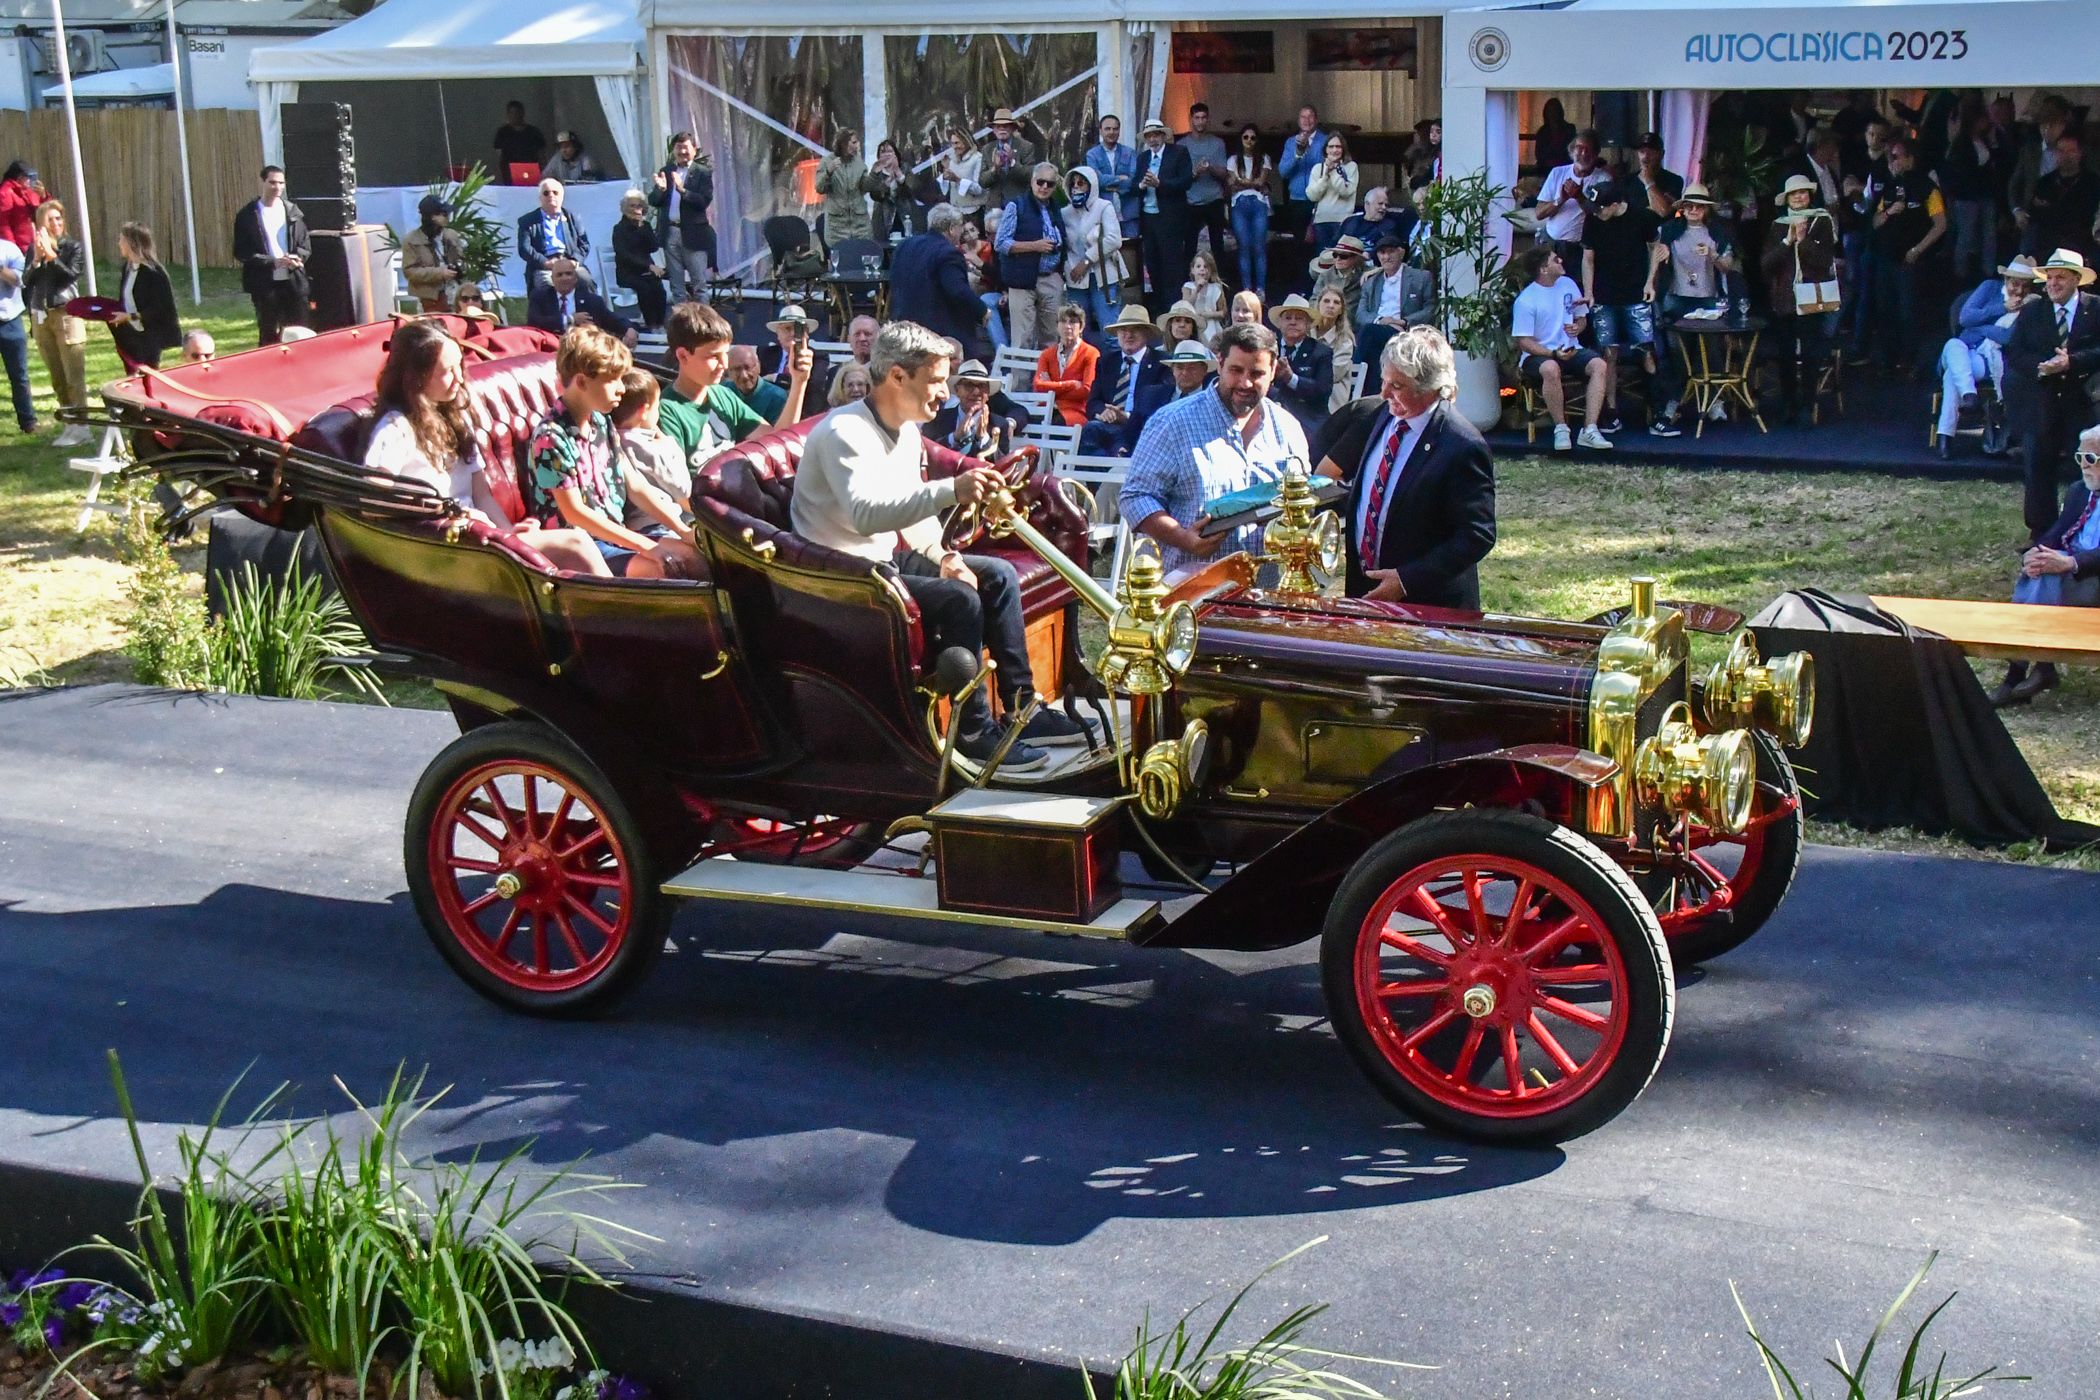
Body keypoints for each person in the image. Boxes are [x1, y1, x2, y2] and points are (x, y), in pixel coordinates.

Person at [792, 319, 1087, 768]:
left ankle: (1024, 707)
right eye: (934, 381)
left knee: (998, 575)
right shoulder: (843, 433)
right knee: (960, 600)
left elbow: (914, 515)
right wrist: (953, 490)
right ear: (896, 376)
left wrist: (944, 555)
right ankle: (971, 732)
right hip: (840, 576)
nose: (945, 394)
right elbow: (866, 513)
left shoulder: (906, 429)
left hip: (879, 559)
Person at [364, 320, 608, 577]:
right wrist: (436, 511)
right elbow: (372, 501)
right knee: (576, 544)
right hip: (442, 544)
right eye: (447, 371)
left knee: (576, 540)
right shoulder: (396, 428)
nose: (459, 378)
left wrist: (508, 533)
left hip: (481, 537)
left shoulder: (456, 419)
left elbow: (482, 496)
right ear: (416, 378)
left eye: (460, 366)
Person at [1312, 326, 1494, 609]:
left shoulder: (1462, 444)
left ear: (1431, 388)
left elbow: (1477, 534)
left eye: (1397, 386)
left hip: (1427, 605)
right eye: (1384, 380)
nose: (1384, 393)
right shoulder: (1379, 415)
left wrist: (1406, 580)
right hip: (1364, 592)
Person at [1120, 321, 1308, 576]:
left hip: (1269, 592)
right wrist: (1183, 537)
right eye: (1236, 370)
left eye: (1256, 374)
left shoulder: (1288, 429)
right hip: (1192, 593)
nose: (1245, 383)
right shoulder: (1172, 423)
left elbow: (1303, 502)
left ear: (1273, 370)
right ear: (1219, 364)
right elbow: (1135, 497)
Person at [527, 326, 699, 579]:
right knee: (666, 568)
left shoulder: (601, 422)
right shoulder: (551, 438)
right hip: (583, 548)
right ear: (582, 381)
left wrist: (683, 530)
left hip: (615, 534)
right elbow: (575, 513)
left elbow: (635, 486)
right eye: (613, 380)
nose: (622, 389)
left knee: (697, 559)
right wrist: (646, 546)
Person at [1993, 425, 2100, 707]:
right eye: (2080, 459)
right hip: (2069, 567)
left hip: (2094, 575)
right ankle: (2038, 667)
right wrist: (2036, 554)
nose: (2083, 467)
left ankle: (2020, 673)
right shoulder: (2080, 491)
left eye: (2090, 460)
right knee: (2040, 573)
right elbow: (2058, 531)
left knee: (2046, 579)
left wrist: (2069, 562)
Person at [2006, 248, 2100, 537]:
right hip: (2040, 403)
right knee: (2037, 472)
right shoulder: (2034, 311)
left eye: (2060, 277)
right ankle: (2041, 537)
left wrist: (2072, 361)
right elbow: (2014, 352)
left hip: (2081, 404)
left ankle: (2086, 533)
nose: (2053, 283)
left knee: (2085, 471)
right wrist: (2042, 366)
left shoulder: (2095, 309)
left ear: (2076, 280)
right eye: (2049, 277)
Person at [659, 301, 811, 473]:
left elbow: (777, 440)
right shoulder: (666, 410)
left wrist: (799, 382)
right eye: (714, 356)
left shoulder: (724, 395)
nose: (724, 364)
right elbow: (675, 486)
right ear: (683, 356)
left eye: (725, 353)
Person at [1582, 175, 1665, 435]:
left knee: (1646, 351)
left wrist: (1650, 282)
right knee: (1608, 354)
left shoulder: (1643, 217)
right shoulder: (1593, 221)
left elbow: (1656, 249)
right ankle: (1611, 411)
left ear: (1616, 204)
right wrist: (1589, 292)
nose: (1597, 214)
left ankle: (1657, 413)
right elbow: (1588, 258)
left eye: (1602, 208)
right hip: (1605, 295)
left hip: (1636, 293)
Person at [1647, 184, 1735, 429]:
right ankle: (1675, 401)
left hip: (1708, 296)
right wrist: (1653, 277)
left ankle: (1714, 402)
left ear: (1706, 210)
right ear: (1683, 209)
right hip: (1677, 296)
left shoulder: (1717, 232)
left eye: (1699, 206)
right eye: (1689, 206)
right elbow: (1654, 255)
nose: (1693, 210)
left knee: (1711, 349)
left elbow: (1729, 266)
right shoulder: (1669, 230)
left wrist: (1713, 255)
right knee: (1677, 352)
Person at [1857, 139, 1947, 373]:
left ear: (1910, 159)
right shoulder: (1889, 186)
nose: (1892, 162)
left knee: (1908, 312)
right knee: (1885, 310)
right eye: (1890, 157)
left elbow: (1940, 224)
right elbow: (1874, 223)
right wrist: (1888, 211)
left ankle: (1909, 360)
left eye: (1896, 156)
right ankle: (1888, 358)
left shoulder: (1928, 187)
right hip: (1885, 257)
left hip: (1910, 260)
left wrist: (1918, 249)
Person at [1935, 255, 2039, 454]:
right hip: (1965, 351)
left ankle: (1945, 435)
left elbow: (2007, 337)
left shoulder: (2031, 305)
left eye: (2025, 286)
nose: (2019, 291)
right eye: (2015, 284)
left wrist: (1978, 328)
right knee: (1953, 345)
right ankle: (1968, 396)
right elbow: (1965, 317)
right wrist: (2001, 308)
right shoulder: (1989, 288)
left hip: (1991, 362)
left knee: (1952, 375)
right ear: (2006, 280)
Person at [1762, 173, 1842, 427]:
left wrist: (1804, 240)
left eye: (1803, 192)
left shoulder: (1822, 220)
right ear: (1787, 198)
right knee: (1785, 355)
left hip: (1811, 297)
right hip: (1785, 300)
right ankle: (1789, 404)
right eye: (1794, 193)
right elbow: (1766, 264)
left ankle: (1809, 404)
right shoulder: (1777, 225)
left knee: (1810, 355)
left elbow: (1823, 259)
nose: (1799, 197)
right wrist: (1788, 241)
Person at [1512, 243, 1609, 452]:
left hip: (1570, 348)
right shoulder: (1526, 300)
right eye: (1555, 259)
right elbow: (1523, 342)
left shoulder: (1567, 284)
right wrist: (1552, 353)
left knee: (1599, 365)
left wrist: (1578, 327)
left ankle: (1590, 429)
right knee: (1550, 369)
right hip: (1539, 353)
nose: (1561, 261)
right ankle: (1561, 428)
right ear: (1543, 269)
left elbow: (1581, 317)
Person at [24, 199, 87, 445]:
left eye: (59, 218)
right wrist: (38, 259)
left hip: (66, 315)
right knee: (57, 376)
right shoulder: (34, 249)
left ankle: (83, 426)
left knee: (73, 375)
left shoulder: (72, 247)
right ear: (41, 224)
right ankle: (69, 422)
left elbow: (70, 275)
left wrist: (51, 256)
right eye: (50, 219)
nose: (56, 223)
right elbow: (27, 281)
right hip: (41, 316)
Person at [889, 203, 990, 355]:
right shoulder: (948, 252)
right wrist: (982, 310)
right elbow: (957, 290)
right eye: (959, 226)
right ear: (951, 228)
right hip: (938, 333)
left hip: (903, 327)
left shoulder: (904, 246)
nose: (961, 232)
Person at [231, 166, 309, 345]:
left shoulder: (293, 213)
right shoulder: (248, 216)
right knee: (269, 332)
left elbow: (305, 245)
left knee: (298, 331)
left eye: (281, 183)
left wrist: (297, 258)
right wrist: (273, 262)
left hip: (293, 280)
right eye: (272, 182)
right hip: (264, 283)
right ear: (262, 182)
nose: (277, 187)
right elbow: (241, 252)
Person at [1080, 304, 1170, 455]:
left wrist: (1127, 417)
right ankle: (1095, 478)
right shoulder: (1106, 361)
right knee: (1091, 431)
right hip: (1106, 427)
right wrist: (1103, 412)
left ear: (1147, 333)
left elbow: (1160, 406)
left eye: (1135, 329)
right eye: (1123, 330)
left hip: (1141, 429)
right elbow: (1093, 402)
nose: (1128, 335)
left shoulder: (1161, 363)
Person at [994, 161, 1066, 351]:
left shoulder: (1055, 207)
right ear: (1032, 181)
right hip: (1022, 279)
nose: (1044, 187)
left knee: (1052, 339)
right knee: (1022, 340)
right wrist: (1035, 246)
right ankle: (1019, 382)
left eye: (1050, 184)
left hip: (1051, 277)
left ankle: (1047, 381)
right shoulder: (1016, 205)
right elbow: (1000, 243)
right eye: (1040, 182)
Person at [1941, 107, 2011, 284]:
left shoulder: (1984, 140)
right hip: (1967, 196)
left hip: (1985, 193)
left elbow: (1996, 161)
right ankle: (1960, 272)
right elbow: (1960, 170)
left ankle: (1989, 270)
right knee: (1966, 234)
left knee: (1989, 233)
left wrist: (1994, 144)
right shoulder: (1961, 144)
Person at [610, 369, 690, 518]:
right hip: (659, 522)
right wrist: (670, 445)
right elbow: (683, 490)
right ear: (644, 411)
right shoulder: (653, 449)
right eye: (656, 406)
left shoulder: (611, 440)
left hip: (631, 521)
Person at [649, 132, 715, 304]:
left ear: (694, 150)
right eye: (678, 148)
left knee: (699, 284)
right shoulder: (666, 171)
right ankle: (681, 323)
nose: (682, 152)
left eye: (685, 147)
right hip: (670, 231)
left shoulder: (702, 172)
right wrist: (661, 190)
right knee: (676, 285)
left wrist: (683, 191)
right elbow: (653, 201)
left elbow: (703, 201)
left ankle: (704, 325)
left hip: (694, 234)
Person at [1136, 119, 1193, 316]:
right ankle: (1159, 309)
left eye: (1155, 135)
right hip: (1148, 217)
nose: (1152, 139)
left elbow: (1185, 182)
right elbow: (1136, 184)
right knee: (1152, 263)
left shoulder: (1179, 153)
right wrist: (1141, 186)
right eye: (1149, 136)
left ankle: (1173, 309)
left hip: (1170, 218)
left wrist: (1161, 183)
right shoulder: (1142, 158)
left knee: (1172, 264)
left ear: (1163, 135)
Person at [1534, 128, 1609, 274]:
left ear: (1596, 154)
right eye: (1579, 148)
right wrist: (1560, 199)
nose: (1583, 154)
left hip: (1579, 251)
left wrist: (1580, 197)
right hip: (1550, 244)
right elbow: (1539, 213)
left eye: (1588, 150)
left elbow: (1602, 216)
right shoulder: (1558, 173)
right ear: (1571, 150)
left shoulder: (1603, 179)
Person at [2019, 131, 2100, 266]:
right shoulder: (2044, 182)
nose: (2066, 155)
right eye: (2061, 151)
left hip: (2082, 246)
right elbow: (2033, 218)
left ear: (2080, 153)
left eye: (2071, 151)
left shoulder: (2093, 183)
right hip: (2045, 247)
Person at [1354, 235, 1433, 371]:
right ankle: (1369, 387)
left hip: (1404, 331)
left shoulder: (1421, 277)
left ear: (1401, 252)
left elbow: (1430, 308)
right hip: (1377, 328)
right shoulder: (1371, 282)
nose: (1386, 257)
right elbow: (1360, 314)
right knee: (1370, 335)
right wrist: (1381, 320)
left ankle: (1353, 375)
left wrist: (1404, 322)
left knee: (1368, 333)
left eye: (1391, 251)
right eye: (1382, 253)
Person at [1061, 165, 1122, 335]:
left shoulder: (1104, 206)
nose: (1076, 188)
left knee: (1110, 329)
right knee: (1076, 331)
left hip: (1103, 275)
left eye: (1081, 183)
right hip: (1076, 278)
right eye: (1072, 184)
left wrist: (1087, 260)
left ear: (1091, 185)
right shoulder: (1065, 213)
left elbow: (1113, 239)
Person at [110, 223, 180, 370]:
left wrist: (130, 316)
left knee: (151, 375)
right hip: (133, 334)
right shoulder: (127, 268)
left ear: (132, 243)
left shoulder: (154, 273)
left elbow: (161, 309)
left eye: (121, 240)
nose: (119, 244)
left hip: (154, 335)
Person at [1265, 293, 1333, 436]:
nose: (1293, 322)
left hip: (1308, 419)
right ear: (1280, 322)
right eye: (1288, 318)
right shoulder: (1267, 349)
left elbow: (1323, 391)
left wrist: (1291, 378)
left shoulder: (1322, 352)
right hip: (1270, 415)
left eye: (1299, 318)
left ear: (1308, 324)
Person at [526, 258, 635, 345]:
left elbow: (611, 319)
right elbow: (534, 322)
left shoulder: (592, 300)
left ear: (575, 278)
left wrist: (628, 328)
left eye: (568, 274)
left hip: (581, 349)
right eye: (559, 275)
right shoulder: (540, 297)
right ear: (552, 279)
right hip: (549, 348)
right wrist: (570, 319)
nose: (565, 278)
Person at [1277, 106, 1331, 281]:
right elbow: (1283, 172)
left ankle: (1320, 288)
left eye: (1310, 117)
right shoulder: (1290, 142)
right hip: (1298, 201)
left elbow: (1327, 168)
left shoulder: (1325, 141)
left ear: (1316, 120)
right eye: (1303, 117)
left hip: (1320, 201)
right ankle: (1303, 290)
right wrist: (1298, 154)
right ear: (1298, 120)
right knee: (1300, 248)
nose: (1307, 120)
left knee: (1320, 247)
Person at [928, 358, 1018, 456]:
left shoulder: (999, 424)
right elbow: (927, 453)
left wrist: (984, 439)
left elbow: (1003, 465)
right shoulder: (938, 419)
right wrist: (953, 438)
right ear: (957, 390)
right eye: (969, 385)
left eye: (982, 386)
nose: (976, 392)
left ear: (988, 393)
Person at [1179, 102, 1230, 273]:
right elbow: (1179, 177)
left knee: (1218, 246)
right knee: (1189, 246)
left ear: (1208, 120)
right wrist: (1195, 172)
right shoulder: (1182, 145)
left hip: (1214, 199)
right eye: (1197, 118)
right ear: (1191, 119)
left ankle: (1220, 284)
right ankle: (1189, 284)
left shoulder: (1218, 143)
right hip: (1191, 201)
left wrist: (1209, 168)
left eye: (1203, 118)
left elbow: (1224, 173)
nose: (1200, 122)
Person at [1225, 123, 1274, 297]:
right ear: (1241, 139)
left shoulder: (1264, 158)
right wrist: (1251, 183)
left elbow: (1261, 181)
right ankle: (1246, 288)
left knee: (1259, 247)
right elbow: (1231, 184)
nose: (1249, 140)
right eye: (1246, 137)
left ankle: (1260, 288)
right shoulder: (1232, 159)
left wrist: (1242, 182)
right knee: (1244, 247)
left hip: (1259, 203)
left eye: (1253, 137)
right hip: (1239, 204)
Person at [516, 179, 592, 290]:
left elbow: (584, 245)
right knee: (547, 288)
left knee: (586, 282)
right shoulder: (527, 221)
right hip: (544, 267)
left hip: (569, 261)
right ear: (540, 198)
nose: (551, 195)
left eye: (555, 192)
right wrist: (545, 262)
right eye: (546, 193)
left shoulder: (573, 218)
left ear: (562, 196)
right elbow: (524, 249)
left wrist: (574, 261)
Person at [400, 193, 467, 313]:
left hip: (455, 293)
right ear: (432, 217)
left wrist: (460, 267)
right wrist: (440, 273)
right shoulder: (411, 240)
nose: (448, 217)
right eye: (444, 214)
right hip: (430, 298)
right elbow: (410, 272)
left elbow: (461, 260)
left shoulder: (451, 235)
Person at [611, 190, 667, 330]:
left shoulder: (645, 226)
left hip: (647, 271)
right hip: (628, 272)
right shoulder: (619, 229)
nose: (636, 209)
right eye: (632, 206)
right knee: (645, 289)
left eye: (638, 206)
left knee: (659, 289)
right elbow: (624, 255)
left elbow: (654, 247)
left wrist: (642, 228)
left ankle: (660, 324)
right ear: (625, 208)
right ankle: (651, 324)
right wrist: (648, 266)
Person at [1034, 303, 1097, 426]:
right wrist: (1071, 384)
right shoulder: (1046, 354)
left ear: (1081, 327)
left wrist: (1051, 387)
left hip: (1076, 410)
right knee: (1028, 420)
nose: (1068, 326)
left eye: (1073, 322)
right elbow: (1039, 386)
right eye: (1063, 321)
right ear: (1057, 326)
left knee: (1056, 423)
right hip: (1046, 408)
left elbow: (1086, 390)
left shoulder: (1091, 353)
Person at [1086, 115, 1140, 253]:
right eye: (1107, 129)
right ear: (1101, 131)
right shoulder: (1092, 154)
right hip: (1104, 212)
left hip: (1129, 211)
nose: (1111, 132)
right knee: (1108, 252)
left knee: (1132, 252)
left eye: (1115, 129)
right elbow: (1096, 180)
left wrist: (1109, 183)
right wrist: (1119, 179)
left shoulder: (1130, 152)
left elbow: (1132, 180)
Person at [0, 227, 34, 437]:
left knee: (19, 375)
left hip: (9, 320)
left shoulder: (8, 249)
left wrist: (1, 270)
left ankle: (28, 421)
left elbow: (21, 280)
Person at [815, 130, 874, 248]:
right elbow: (819, 188)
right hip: (837, 229)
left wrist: (875, 175)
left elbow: (865, 187)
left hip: (860, 227)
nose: (857, 146)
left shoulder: (858, 162)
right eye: (854, 142)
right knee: (842, 261)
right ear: (843, 144)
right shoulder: (827, 161)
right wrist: (828, 172)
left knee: (863, 260)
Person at [1305, 134, 1359, 255]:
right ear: (1326, 149)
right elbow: (1312, 196)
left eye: (1338, 147)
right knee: (1323, 259)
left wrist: (1334, 172)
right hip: (1321, 222)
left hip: (1342, 221)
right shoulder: (1317, 168)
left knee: (1342, 257)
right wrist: (1325, 175)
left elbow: (1346, 191)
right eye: (1331, 146)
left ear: (1343, 149)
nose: (1334, 150)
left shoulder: (1351, 167)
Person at [867, 139, 922, 243]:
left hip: (905, 215)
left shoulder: (905, 167)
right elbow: (874, 194)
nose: (886, 155)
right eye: (882, 152)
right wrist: (886, 183)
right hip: (882, 217)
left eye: (889, 151)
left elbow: (912, 189)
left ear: (896, 154)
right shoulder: (876, 171)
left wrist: (897, 172)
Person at [1340, 186, 1416, 260]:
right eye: (1380, 203)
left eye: (1386, 205)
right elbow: (1335, 243)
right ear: (1367, 204)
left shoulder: (1389, 225)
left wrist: (1368, 255)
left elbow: (1386, 247)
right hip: (1344, 257)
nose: (1384, 207)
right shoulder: (1350, 221)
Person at [1311, 288, 1355, 411]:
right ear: (1318, 305)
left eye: (1336, 302)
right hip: (1305, 394)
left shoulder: (1345, 341)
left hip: (1331, 401)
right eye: (1326, 301)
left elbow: (1333, 375)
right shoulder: (1306, 334)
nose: (1331, 305)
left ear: (1341, 310)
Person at [1308, 234, 1367, 325]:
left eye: (1344, 256)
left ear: (1356, 258)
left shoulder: (1364, 273)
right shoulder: (1325, 276)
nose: (1338, 259)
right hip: (1325, 321)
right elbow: (1314, 300)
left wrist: (1371, 272)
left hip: (1352, 325)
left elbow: (1386, 269)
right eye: (1335, 255)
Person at [1629, 132, 1686, 218]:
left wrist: (1648, 181)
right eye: (1642, 152)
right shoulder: (1627, 181)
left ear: (1662, 154)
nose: (1645, 157)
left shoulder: (1674, 180)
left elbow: (1663, 211)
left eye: (1651, 152)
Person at [937, 131, 986, 226]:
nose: (954, 146)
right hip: (955, 212)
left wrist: (958, 180)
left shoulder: (977, 159)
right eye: (952, 143)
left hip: (973, 213)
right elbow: (949, 187)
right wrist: (946, 172)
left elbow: (979, 189)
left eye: (957, 143)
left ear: (966, 141)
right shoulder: (952, 160)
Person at [727, 344, 788, 420]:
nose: (744, 376)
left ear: (758, 367)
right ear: (729, 372)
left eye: (748, 368)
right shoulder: (723, 392)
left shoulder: (777, 398)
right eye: (737, 369)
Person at [492, 101, 548, 182]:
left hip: (531, 171)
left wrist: (543, 174)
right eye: (511, 113)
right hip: (508, 173)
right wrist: (497, 175)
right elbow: (498, 156)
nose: (514, 116)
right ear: (508, 114)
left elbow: (541, 155)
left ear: (522, 113)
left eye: (517, 112)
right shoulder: (502, 132)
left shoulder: (534, 132)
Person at [1181, 250, 1227, 347]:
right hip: (1195, 326)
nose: (1202, 269)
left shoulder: (1216, 287)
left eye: (1206, 267)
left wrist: (1209, 314)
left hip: (1212, 326)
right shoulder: (1188, 287)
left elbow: (1223, 312)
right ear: (1192, 270)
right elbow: (1185, 306)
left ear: (1211, 271)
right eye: (1198, 266)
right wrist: (1197, 289)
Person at [0, 162, 40, 251]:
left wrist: (44, 196)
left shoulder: (26, 191)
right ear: (19, 178)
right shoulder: (5, 193)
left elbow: (44, 210)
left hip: (33, 244)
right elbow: (3, 225)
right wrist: (12, 248)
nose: (30, 181)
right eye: (28, 178)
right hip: (19, 247)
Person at [1533, 99, 1574, 175]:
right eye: (1550, 111)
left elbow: (1571, 152)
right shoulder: (1542, 132)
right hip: (1545, 169)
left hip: (1565, 168)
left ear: (1560, 112)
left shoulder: (1569, 129)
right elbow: (1539, 154)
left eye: (1555, 110)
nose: (1553, 114)